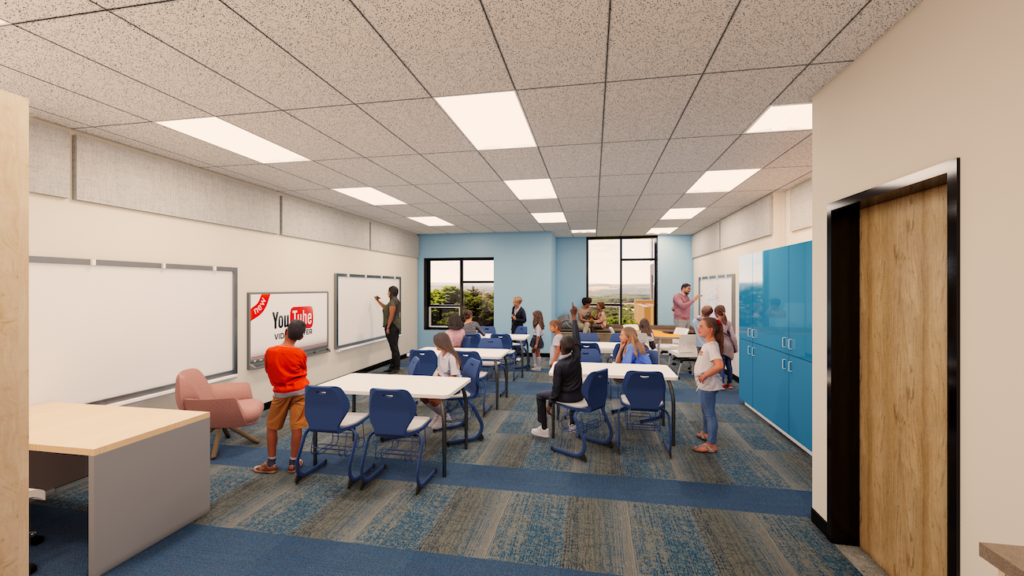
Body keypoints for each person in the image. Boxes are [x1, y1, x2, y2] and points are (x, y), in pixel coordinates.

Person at [253, 319, 309, 474]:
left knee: (272, 427)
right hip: (300, 392)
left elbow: (268, 369)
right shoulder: (301, 353)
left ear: (285, 331)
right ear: (301, 337)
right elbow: (304, 369)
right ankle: (293, 463)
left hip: (280, 393)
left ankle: (270, 464)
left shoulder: (271, 351)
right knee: (297, 426)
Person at [532, 303, 583, 438]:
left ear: (560, 347)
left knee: (539, 395)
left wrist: (550, 404)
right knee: (571, 387)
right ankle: (572, 424)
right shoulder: (577, 356)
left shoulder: (559, 365)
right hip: (579, 395)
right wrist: (573, 316)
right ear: (574, 347)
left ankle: (544, 429)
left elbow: (556, 389)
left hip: (566, 396)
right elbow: (577, 338)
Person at [693, 316, 725, 453]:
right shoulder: (708, 344)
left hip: (707, 385)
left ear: (710, 330)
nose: (698, 329)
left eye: (701, 327)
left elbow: (719, 365)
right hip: (704, 385)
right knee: (705, 411)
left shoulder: (711, 346)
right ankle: (705, 433)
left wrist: (705, 375)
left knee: (709, 414)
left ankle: (711, 444)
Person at [425, 333, 460, 430]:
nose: (434, 345)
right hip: (443, 383)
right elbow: (439, 371)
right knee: (423, 396)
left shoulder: (452, 357)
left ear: (441, 344)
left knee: (432, 398)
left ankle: (442, 416)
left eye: (435, 343)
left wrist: (440, 385)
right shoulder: (440, 355)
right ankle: (440, 413)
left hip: (453, 385)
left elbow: (453, 377)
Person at [374, 286, 401, 373]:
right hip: (394, 326)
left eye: (388, 291)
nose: (387, 293)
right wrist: (378, 301)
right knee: (393, 348)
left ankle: (396, 368)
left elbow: (391, 315)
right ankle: (392, 367)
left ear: (391, 292)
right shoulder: (394, 301)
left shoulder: (393, 301)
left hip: (392, 326)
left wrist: (388, 327)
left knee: (394, 348)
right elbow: (386, 308)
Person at [715, 305, 738, 389]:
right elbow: (733, 337)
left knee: (721, 365)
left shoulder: (715, 322)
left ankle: (721, 383)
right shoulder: (728, 322)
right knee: (729, 365)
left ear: (716, 312)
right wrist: (735, 348)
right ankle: (730, 383)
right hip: (729, 346)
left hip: (720, 345)